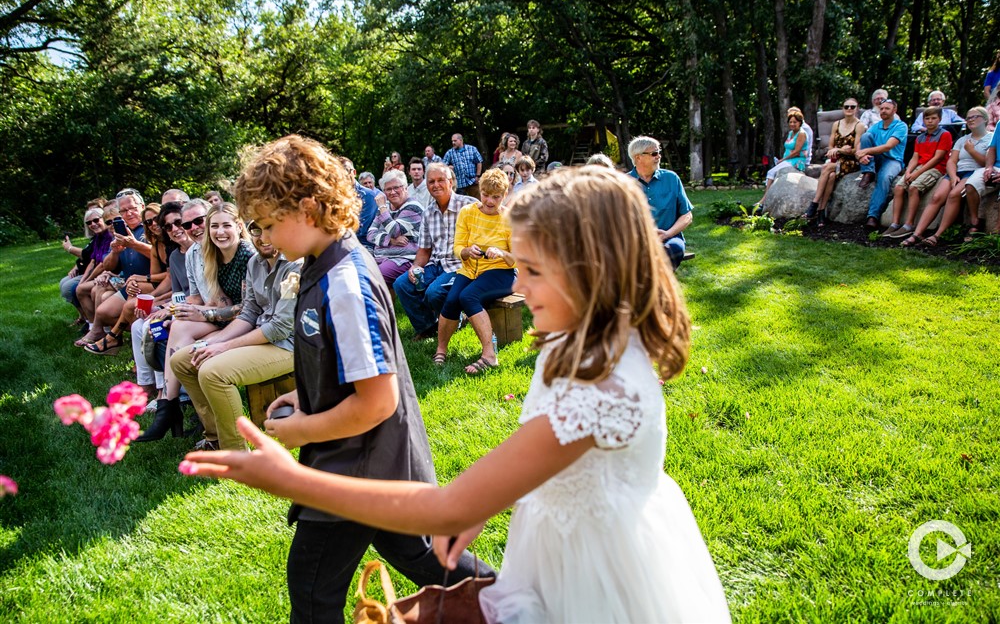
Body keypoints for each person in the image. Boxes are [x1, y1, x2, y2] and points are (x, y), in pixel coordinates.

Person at [182, 166, 732, 624]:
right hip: (561, 546)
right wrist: (491, 500)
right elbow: (547, 458)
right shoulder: (580, 343)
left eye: (533, 270)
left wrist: (293, 479)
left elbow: (449, 506)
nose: (517, 285)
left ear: (594, 271)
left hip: (598, 577)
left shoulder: (599, 382)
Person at [224, 133, 489, 622]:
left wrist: (302, 431)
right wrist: (308, 406)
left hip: (357, 468)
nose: (262, 239)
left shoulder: (345, 280)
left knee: (311, 590)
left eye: (266, 225)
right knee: (429, 557)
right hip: (370, 461)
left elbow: (377, 401)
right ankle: (520, 606)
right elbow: (342, 369)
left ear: (305, 209)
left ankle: (522, 606)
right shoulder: (320, 264)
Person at [170, 219, 300, 451]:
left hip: (291, 345)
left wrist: (225, 347)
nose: (263, 237)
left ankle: (236, 451)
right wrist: (212, 342)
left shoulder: (295, 266)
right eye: (256, 231)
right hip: (262, 336)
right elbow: (249, 312)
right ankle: (215, 437)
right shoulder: (255, 263)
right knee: (182, 359)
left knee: (213, 373)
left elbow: (280, 327)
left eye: (270, 229)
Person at [138, 201, 252, 443]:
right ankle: (170, 405)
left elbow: (237, 307)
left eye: (197, 221)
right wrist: (177, 312)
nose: (191, 227)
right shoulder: (199, 253)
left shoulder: (238, 253)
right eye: (186, 224)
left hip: (241, 321)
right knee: (174, 327)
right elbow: (197, 297)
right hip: (219, 317)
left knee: (189, 350)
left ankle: (176, 411)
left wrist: (197, 312)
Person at [433, 168, 516, 374]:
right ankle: (441, 349)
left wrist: (501, 253)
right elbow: (458, 247)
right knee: (452, 299)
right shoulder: (467, 212)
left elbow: (517, 260)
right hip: (471, 269)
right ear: (480, 191)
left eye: (495, 197)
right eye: (486, 195)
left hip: (503, 272)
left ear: (504, 195)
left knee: (469, 296)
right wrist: (468, 252)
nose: (489, 201)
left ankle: (489, 355)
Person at [393, 163, 477, 341]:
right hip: (436, 265)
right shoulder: (428, 213)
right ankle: (427, 326)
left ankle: (455, 319)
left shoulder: (469, 206)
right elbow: (424, 249)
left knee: (434, 292)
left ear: (451, 181)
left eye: (441, 180)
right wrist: (415, 267)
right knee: (402, 284)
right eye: (431, 181)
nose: (436, 185)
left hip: (461, 266)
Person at [84, 202, 170, 355]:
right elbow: (107, 265)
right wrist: (116, 253)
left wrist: (142, 279)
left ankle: (113, 337)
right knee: (103, 304)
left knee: (132, 302)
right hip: (144, 284)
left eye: (156, 219)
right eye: (148, 222)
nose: (153, 224)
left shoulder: (171, 242)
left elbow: (171, 275)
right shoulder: (156, 242)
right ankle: (119, 338)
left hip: (173, 292)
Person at [901, 107, 992, 247]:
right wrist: (953, 175)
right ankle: (916, 234)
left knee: (953, 194)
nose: (971, 120)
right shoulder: (963, 139)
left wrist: (972, 151)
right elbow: (951, 161)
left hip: (974, 172)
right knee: (937, 197)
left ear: (985, 119)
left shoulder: (991, 138)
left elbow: (987, 163)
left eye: (975, 116)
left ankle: (937, 235)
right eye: (968, 117)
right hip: (956, 172)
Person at [131, 202, 192, 400]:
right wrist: (160, 305)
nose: (174, 229)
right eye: (168, 226)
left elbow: (198, 295)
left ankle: (163, 392)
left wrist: (167, 309)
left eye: (179, 223)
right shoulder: (175, 256)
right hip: (183, 304)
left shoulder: (202, 251)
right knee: (138, 325)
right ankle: (146, 385)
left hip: (197, 309)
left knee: (154, 326)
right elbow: (177, 292)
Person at [882, 106, 952, 239]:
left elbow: (937, 158)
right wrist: (908, 172)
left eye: (933, 118)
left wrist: (916, 174)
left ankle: (909, 224)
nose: (930, 121)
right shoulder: (920, 137)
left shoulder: (944, 135)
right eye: (927, 118)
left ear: (940, 119)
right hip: (919, 167)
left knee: (914, 187)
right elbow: (915, 157)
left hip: (936, 168)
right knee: (898, 187)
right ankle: (895, 223)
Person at [627, 136, 693, 270]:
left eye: (659, 153)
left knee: (673, 249)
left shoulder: (671, 178)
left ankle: (654, 286)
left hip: (670, 239)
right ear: (638, 157)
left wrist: (668, 234)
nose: (659, 156)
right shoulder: (623, 183)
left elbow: (687, 216)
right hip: (635, 241)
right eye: (654, 153)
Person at [803, 98, 867, 226]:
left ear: (857, 109)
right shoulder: (836, 124)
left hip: (851, 162)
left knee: (827, 168)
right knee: (830, 176)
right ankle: (821, 213)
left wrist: (839, 150)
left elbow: (855, 150)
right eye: (846, 106)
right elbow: (830, 146)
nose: (849, 109)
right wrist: (837, 150)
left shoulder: (859, 126)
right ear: (842, 108)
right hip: (836, 161)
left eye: (852, 107)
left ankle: (814, 203)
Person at [857, 99, 909, 230]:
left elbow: (888, 146)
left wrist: (865, 151)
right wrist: (860, 155)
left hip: (893, 160)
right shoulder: (877, 125)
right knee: (865, 136)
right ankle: (868, 172)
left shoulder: (901, 126)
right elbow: (863, 141)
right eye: (882, 108)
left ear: (894, 110)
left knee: (884, 178)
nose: (883, 111)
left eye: (887, 108)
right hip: (877, 159)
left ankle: (872, 216)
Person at [367, 170, 424, 286]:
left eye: (396, 187)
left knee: (374, 277)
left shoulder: (413, 206)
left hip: (403, 259)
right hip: (382, 256)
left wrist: (382, 208)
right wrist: (390, 240)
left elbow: (395, 230)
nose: (392, 192)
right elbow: (370, 234)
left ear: (405, 188)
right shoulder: (386, 208)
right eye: (388, 189)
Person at [59, 206, 112, 324]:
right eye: (89, 222)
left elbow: (102, 264)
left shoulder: (109, 236)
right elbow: (92, 260)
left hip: (105, 273)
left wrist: (69, 248)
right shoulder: (97, 238)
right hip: (93, 272)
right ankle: (87, 319)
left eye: (96, 220)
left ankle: (94, 324)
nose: (93, 224)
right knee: (66, 283)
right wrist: (83, 278)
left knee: (72, 288)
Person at [443, 133, 483, 199]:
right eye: (452, 141)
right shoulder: (450, 153)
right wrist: (448, 168)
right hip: (459, 185)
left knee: (477, 202)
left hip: (472, 182)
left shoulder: (472, 149)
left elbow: (479, 162)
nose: (453, 143)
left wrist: (477, 176)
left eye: (455, 141)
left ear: (461, 140)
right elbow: (442, 166)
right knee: (462, 206)